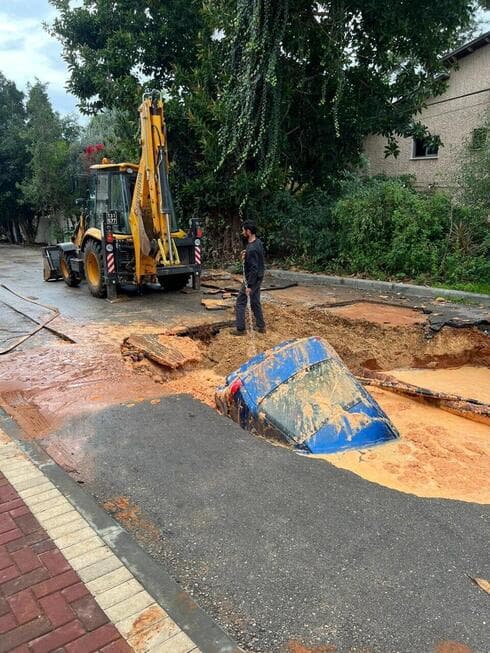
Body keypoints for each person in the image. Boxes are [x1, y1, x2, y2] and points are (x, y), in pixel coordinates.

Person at [232, 220, 266, 335]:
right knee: (255, 301)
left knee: (240, 302)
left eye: (243, 230)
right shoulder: (257, 243)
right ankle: (261, 326)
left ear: (248, 231)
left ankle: (240, 329)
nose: (242, 232)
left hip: (252, 279)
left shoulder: (252, 249)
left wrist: (249, 286)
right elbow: (257, 259)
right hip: (259, 277)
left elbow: (253, 269)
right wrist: (245, 254)